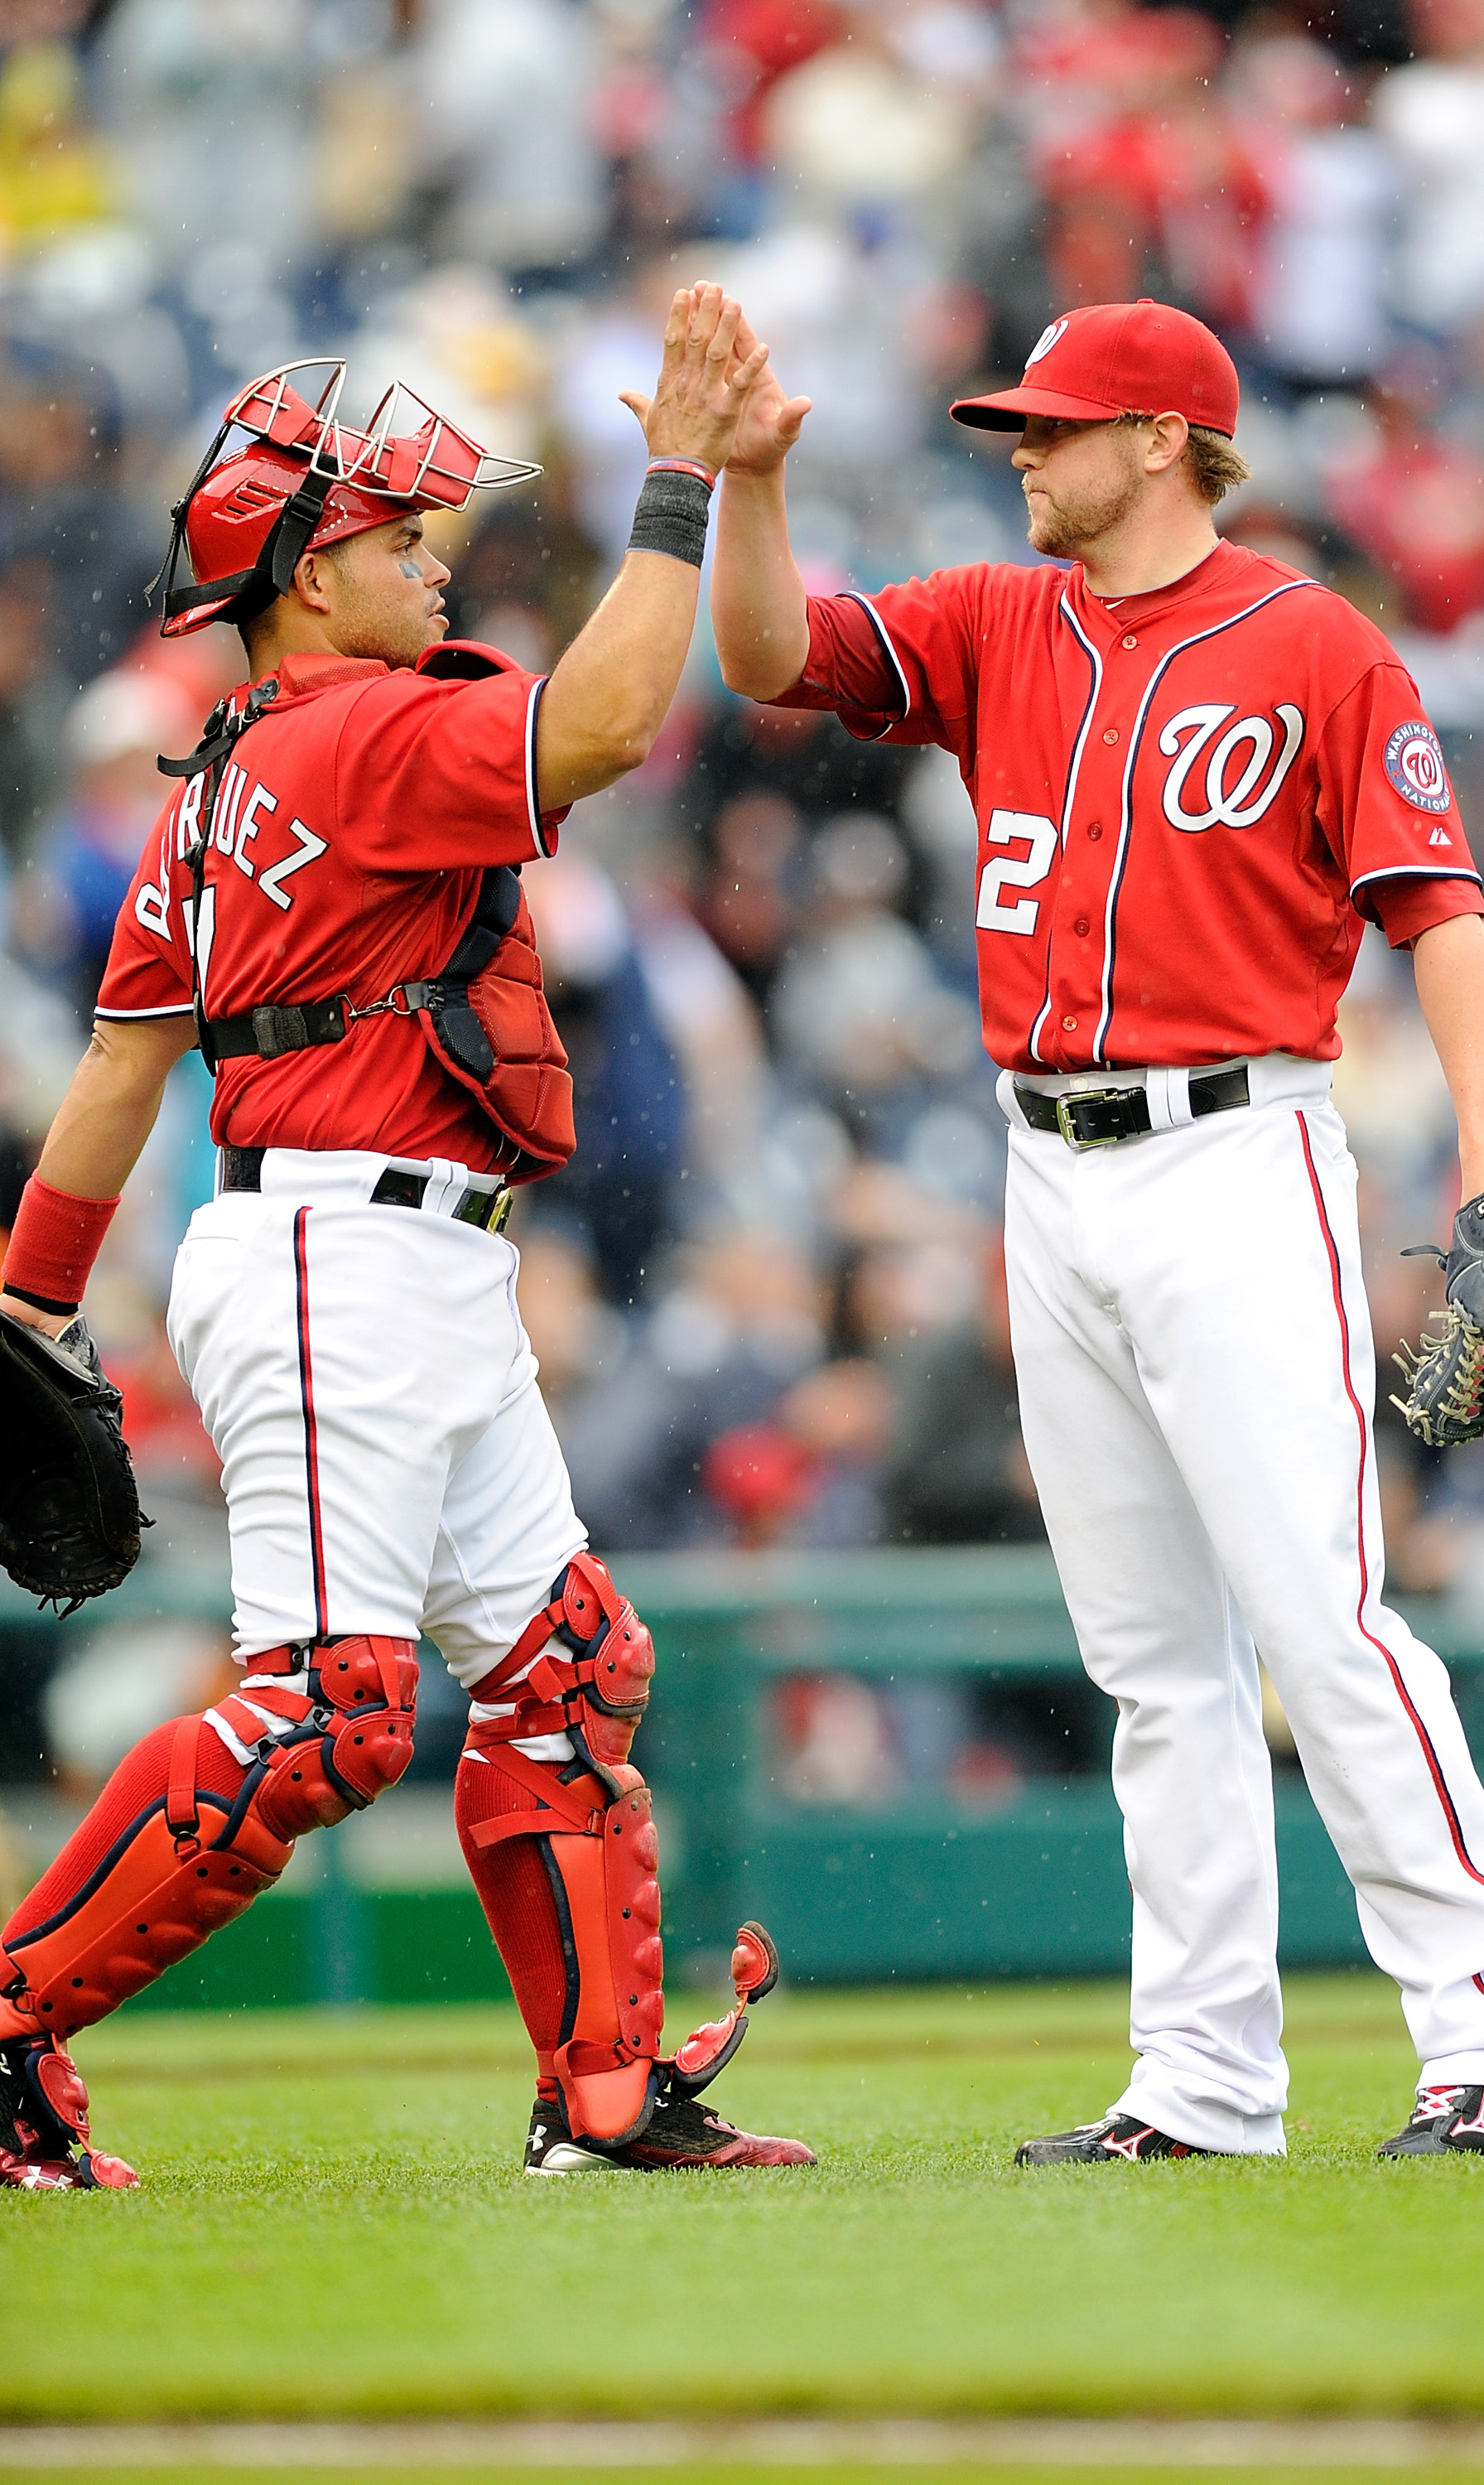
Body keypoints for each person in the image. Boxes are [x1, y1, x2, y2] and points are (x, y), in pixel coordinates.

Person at [711, 295, 1484, 2162]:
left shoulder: (1315, 645)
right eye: (1013, 425)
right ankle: (1198, 2081)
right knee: (1150, 1665)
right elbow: (771, 657)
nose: (1020, 450)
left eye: (1053, 425)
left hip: (1235, 1150)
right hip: (1045, 1165)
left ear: (1166, 439)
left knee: (1320, 1625)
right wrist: (749, 487)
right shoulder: (990, 618)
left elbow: (1441, 913)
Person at [0, 290, 814, 2188]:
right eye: (389, 537)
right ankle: (12, 2015)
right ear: (296, 573)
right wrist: (679, 478)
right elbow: (610, 720)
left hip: (396, 1254)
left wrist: (31, 1299)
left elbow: (125, 1079)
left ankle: (602, 2102)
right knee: (330, 1713)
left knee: (563, 1664)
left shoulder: (206, 793)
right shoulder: (363, 735)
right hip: (335, 1258)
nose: (430, 564)